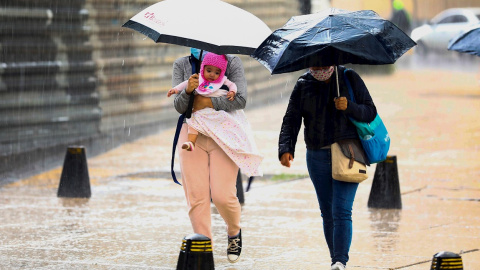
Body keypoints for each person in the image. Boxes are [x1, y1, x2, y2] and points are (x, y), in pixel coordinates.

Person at [278, 65, 377, 270]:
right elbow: (291, 119)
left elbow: (370, 112)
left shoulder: (349, 77)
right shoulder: (303, 83)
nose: (319, 65)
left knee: (341, 210)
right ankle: (336, 261)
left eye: (323, 61)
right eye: (314, 61)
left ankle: (340, 261)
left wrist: (348, 106)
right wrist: (285, 148)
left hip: (348, 152)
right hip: (317, 155)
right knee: (327, 212)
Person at [171, 48, 261, 263]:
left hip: (224, 132)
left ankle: (234, 231)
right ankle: (205, 251)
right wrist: (188, 92)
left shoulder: (232, 62)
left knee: (222, 195)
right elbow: (179, 107)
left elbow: (240, 100)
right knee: (196, 196)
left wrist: (209, 102)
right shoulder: (182, 64)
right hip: (193, 133)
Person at [167, 53, 237, 151]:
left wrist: (232, 92)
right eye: (209, 70)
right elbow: (185, 83)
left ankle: (229, 139)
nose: (212, 74)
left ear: (221, 73)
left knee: (224, 117)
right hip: (199, 110)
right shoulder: (198, 77)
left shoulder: (223, 80)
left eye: (217, 73)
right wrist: (175, 90)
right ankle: (191, 142)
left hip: (215, 106)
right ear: (203, 68)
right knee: (193, 119)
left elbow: (232, 84)